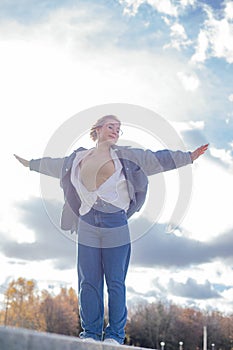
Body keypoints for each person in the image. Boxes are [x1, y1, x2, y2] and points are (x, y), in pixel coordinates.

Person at [14, 115, 208, 345]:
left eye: (118, 128)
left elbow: (158, 159)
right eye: (111, 126)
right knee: (88, 280)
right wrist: (31, 164)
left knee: (115, 280)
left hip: (115, 221)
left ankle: (115, 335)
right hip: (87, 221)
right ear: (96, 129)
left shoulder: (128, 156)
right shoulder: (77, 158)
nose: (116, 131)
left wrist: (188, 157)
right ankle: (91, 333)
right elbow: (54, 164)